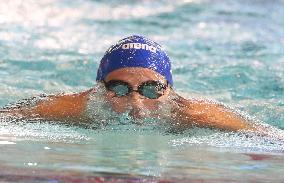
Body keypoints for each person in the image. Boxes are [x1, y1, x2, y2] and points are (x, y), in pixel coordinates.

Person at [0, 35, 276, 135]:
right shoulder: (76, 107)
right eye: (119, 88)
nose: (136, 104)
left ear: (169, 90)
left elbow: (270, 135)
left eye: (151, 89)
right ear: (99, 89)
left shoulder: (193, 114)